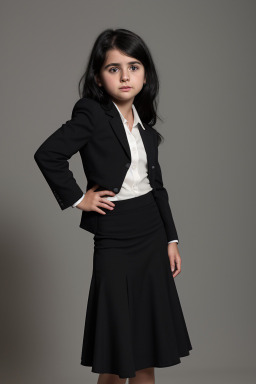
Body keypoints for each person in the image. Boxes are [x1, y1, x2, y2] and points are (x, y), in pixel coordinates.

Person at [34, 28, 192, 384]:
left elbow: (157, 188)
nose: (125, 76)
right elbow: (48, 154)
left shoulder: (145, 127)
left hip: (152, 235)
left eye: (134, 66)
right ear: (98, 76)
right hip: (115, 237)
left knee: (146, 353)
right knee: (116, 351)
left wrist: (172, 239)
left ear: (145, 73)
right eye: (114, 68)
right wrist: (79, 198)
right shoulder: (91, 113)